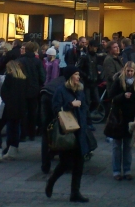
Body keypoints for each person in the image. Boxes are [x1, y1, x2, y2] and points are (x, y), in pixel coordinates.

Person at [45, 69, 90, 203]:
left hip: (80, 130)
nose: (78, 76)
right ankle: (51, 181)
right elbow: (56, 108)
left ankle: (75, 192)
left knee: (79, 164)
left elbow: (85, 106)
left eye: (78, 74)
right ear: (70, 77)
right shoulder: (61, 90)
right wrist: (70, 105)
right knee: (66, 163)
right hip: (67, 131)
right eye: (76, 74)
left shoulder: (80, 90)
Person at [0, 60, 27, 163]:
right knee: (15, 129)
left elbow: (4, 93)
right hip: (19, 109)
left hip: (8, 109)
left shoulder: (9, 78)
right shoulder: (23, 79)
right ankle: (12, 151)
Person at [108, 61, 135, 180]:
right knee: (117, 146)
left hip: (131, 117)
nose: (129, 73)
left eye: (132, 71)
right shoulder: (118, 81)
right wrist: (123, 96)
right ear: (124, 70)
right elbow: (111, 96)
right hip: (119, 116)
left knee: (128, 145)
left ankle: (127, 170)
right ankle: (116, 171)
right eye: (128, 71)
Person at [19, 41, 46, 140]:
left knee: (23, 112)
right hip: (34, 90)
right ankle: (32, 134)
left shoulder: (20, 61)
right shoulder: (37, 62)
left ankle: (23, 134)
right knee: (33, 112)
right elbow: (43, 77)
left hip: (22, 90)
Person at [78, 40, 101, 125]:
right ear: (90, 46)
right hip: (87, 82)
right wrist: (85, 76)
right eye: (94, 47)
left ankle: (89, 117)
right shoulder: (85, 57)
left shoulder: (94, 56)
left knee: (96, 101)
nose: (96, 48)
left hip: (93, 81)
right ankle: (88, 120)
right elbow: (78, 68)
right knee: (87, 101)